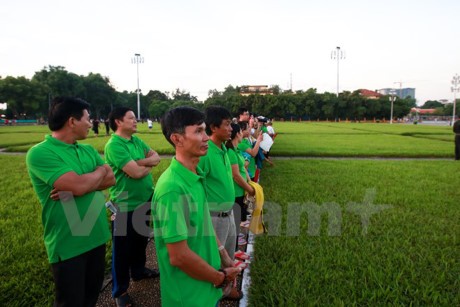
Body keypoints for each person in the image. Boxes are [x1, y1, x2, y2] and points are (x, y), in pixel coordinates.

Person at [26, 97, 115, 307]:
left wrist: (91, 178)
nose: (91, 122)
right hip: (68, 245)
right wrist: (98, 172)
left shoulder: (87, 150)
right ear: (72, 121)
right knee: (71, 302)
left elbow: (110, 179)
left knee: (91, 298)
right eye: (88, 118)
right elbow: (80, 186)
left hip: (96, 236)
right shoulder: (40, 153)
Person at [152, 106, 240, 306]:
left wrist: (223, 253)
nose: (206, 137)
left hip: (206, 291)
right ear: (177, 139)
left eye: (204, 130)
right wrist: (219, 277)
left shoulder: (195, 177)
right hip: (188, 296)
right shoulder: (172, 188)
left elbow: (204, 224)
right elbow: (179, 257)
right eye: (199, 131)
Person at [105, 107, 161, 306]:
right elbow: (136, 173)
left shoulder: (136, 140)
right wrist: (144, 165)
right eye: (131, 118)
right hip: (124, 204)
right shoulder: (114, 145)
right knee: (121, 250)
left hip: (145, 199)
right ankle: (120, 291)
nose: (136, 120)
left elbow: (156, 158)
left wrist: (139, 163)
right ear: (118, 122)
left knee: (140, 240)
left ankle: (138, 271)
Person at [198, 106, 243, 300]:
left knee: (229, 254)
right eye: (226, 125)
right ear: (213, 127)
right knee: (215, 256)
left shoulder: (223, 149)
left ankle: (224, 290)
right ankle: (214, 291)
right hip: (214, 216)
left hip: (228, 212)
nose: (231, 128)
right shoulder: (206, 154)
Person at [225, 123, 255, 246]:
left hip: (241, 190)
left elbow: (242, 169)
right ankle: (235, 250)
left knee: (236, 221)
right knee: (234, 221)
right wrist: (249, 188)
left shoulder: (236, 150)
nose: (244, 133)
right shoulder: (231, 152)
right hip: (236, 191)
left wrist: (250, 183)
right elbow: (236, 175)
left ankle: (236, 248)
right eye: (241, 131)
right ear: (237, 134)